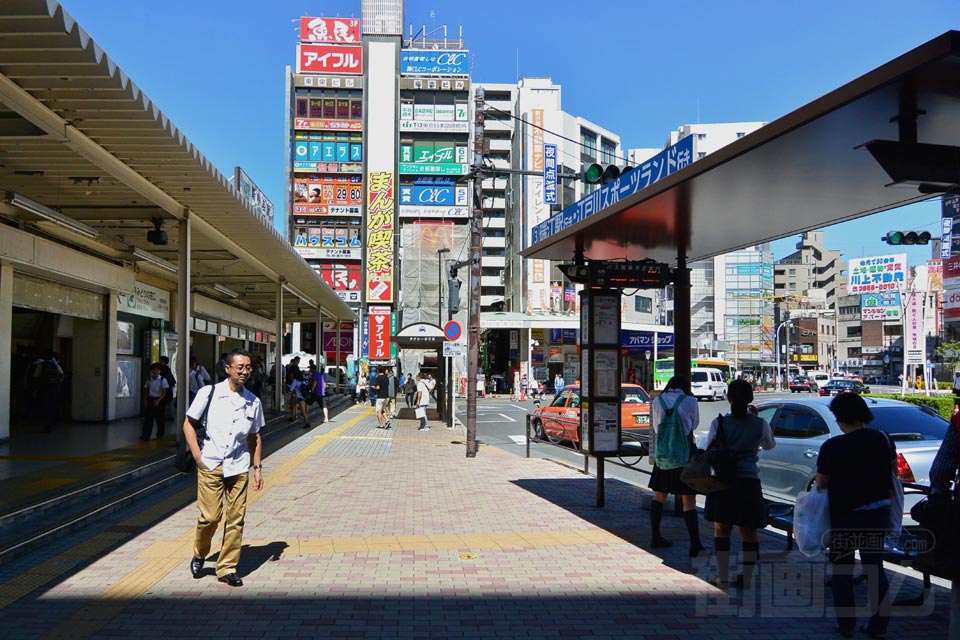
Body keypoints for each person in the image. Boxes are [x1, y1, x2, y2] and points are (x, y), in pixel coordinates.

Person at [816, 392, 896, 638]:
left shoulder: (833, 446)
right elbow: (893, 472)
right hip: (877, 513)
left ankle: (846, 626)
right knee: (875, 568)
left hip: (845, 518)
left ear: (840, 418)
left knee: (842, 570)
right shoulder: (883, 439)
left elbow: (821, 483)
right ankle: (879, 626)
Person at [184, 348, 264, 588]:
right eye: (240, 367)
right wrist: (199, 458)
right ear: (228, 369)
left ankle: (227, 567)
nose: (245, 372)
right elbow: (189, 425)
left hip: (239, 466)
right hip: (211, 463)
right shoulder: (209, 393)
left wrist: (257, 467)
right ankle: (200, 552)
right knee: (210, 517)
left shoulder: (253, 401)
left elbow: (255, 437)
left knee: (236, 519)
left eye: (248, 368)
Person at [703, 379, 775, 590]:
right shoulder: (759, 423)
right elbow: (770, 445)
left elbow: (709, 448)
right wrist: (755, 420)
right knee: (749, 531)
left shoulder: (720, 423)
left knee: (722, 529)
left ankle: (723, 576)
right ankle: (747, 578)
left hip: (724, 482)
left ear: (729, 398)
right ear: (750, 398)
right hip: (749, 482)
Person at [647, 375, 705, 556]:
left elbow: (657, 428)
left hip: (664, 457)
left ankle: (656, 536)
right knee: (688, 499)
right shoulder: (690, 401)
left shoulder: (658, 401)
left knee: (659, 495)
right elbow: (694, 424)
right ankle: (695, 544)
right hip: (684, 456)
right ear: (685, 387)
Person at [34, 350, 64, 432]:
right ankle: (50, 423)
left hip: (44, 388)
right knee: (51, 405)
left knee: (44, 405)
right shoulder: (55, 365)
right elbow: (62, 375)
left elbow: (36, 376)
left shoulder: (41, 364)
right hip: (53, 388)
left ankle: (45, 424)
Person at [141, 362, 169, 441]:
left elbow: (164, 391)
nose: (154, 372)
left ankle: (159, 434)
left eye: (156, 370)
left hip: (159, 400)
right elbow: (146, 390)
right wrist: (145, 401)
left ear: (159, 371)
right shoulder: (149, 379)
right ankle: (146, 435)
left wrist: (158, 400)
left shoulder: (162, 380)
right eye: (153, 370)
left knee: (159, 419)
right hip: (150, 399)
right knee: (148, 419)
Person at [285, 356, 304, 422]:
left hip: (295, 386)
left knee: (294, 401)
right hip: (295, 386)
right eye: (298, 361)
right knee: (295, 401)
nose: (299, 362)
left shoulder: (296, 367)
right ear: (295, 361)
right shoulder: (292, 368)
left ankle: (294, 415)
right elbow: (291, 377)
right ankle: (295, 415)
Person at [158, 355, 176, 420]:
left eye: (161, 360)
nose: (159, 361)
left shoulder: (163, 370)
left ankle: (165, 416)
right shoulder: (168, 369)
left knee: (165, 403)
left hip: (165, 389)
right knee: (169, 403)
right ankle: (169, 416)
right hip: (169, 389)